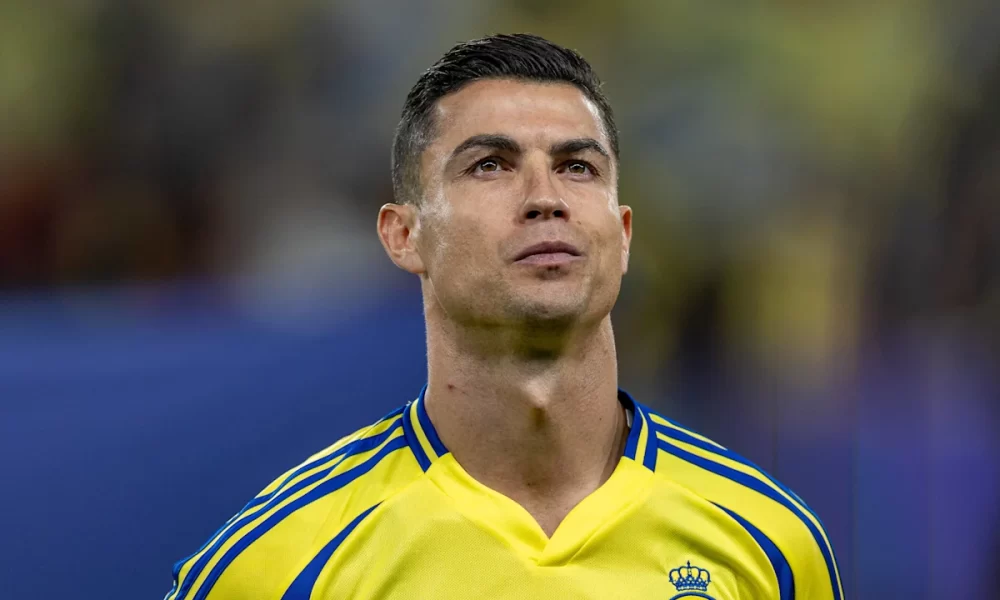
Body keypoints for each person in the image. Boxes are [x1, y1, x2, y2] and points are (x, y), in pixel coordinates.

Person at [165, 33, 843, 600]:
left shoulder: (771, 545)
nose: (546, 197)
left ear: (623, 235)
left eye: (578, 167)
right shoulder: (279, 565)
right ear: (404, 235)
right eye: (490, 165)